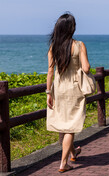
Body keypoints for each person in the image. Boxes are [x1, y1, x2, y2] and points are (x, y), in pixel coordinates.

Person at [46, 13, 90, 173]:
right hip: (74, 89)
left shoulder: (53, 47)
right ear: (72, 28)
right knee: (70, 127)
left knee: (65, 124)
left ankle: (73, 152)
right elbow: (86, 68)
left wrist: (48, 93)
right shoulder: (79, 45)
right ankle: (63, 164)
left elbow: (50, 72)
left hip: (58, 88)